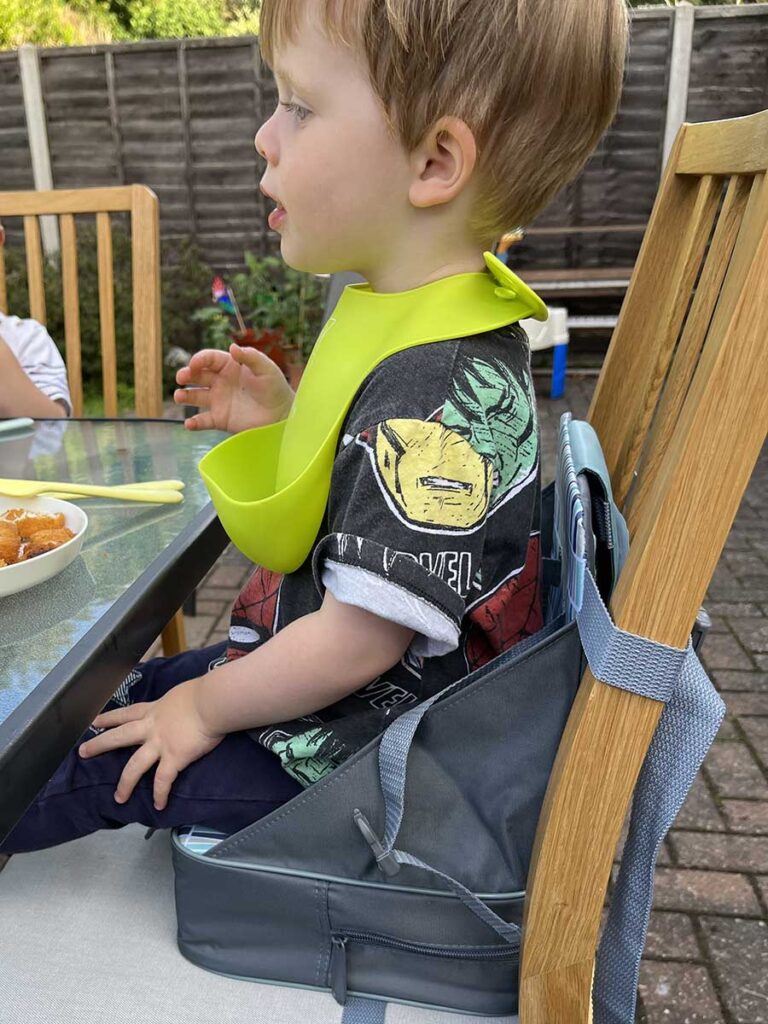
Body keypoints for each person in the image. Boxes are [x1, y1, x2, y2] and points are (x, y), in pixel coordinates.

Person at [0, 0, 628, 853]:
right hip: (317, 703)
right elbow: (364, 493)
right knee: (96, 698)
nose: (265, 134)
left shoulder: (440, 388)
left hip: (361, 762)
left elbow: (358, 642)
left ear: (435, 161)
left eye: (297, 105)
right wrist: (285, 423)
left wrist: (202, 708)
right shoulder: (411, 325)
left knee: (55, 761)